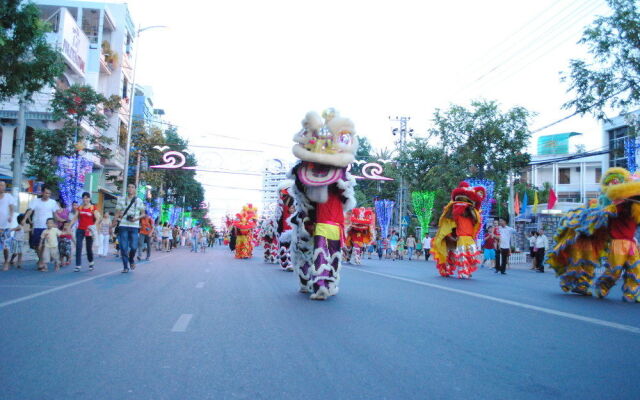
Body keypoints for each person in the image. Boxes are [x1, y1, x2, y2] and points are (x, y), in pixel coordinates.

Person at [24, 187, 62, 269]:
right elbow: (29, 211)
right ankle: (41, 259)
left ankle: (42, 261)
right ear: (42, 193)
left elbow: (56, 215)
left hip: (48, 228)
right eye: (46, 193)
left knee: (47, 245)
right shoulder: (35, 201)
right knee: (37, 246)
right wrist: (24, 219)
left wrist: (62, 221)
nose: (47, 195)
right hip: (37, 226)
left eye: (49, 193)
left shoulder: (52, 202)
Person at [115, 183, 145, 273]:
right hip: (123, 225)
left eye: (132, 187)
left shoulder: (139, 200)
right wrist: (114, 222)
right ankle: (125, 267)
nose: (130, 189)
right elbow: (117, 212)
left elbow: (143, 213)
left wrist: (136, 219)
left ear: (135, 189)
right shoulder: (121, 199)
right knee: (123, 247)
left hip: (134, 226)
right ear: (127, 189)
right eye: (129, 187)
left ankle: (131, 259)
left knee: (134, 247)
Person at [70, 192, 100, 272]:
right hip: (80, 229)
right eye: (84, 198)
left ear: (89, 198)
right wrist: (69, 226)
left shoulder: (93, 208)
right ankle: (78, 265)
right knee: (78, 246)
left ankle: (91, 262)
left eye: (87, 198)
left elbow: (98, 218)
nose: (85, 199)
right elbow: (75, 218)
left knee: (88, 248)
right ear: (82, 199)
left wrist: (94, 226)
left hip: (89, 231)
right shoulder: (80, 208)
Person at [0, 181, 15, 270]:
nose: (0, 187)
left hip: (5, 226)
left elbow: (12, 208)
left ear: (5, 187)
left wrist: (10, 216)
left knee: (5, 246)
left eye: (2, 185)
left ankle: (6, 262)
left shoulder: (8, 197)